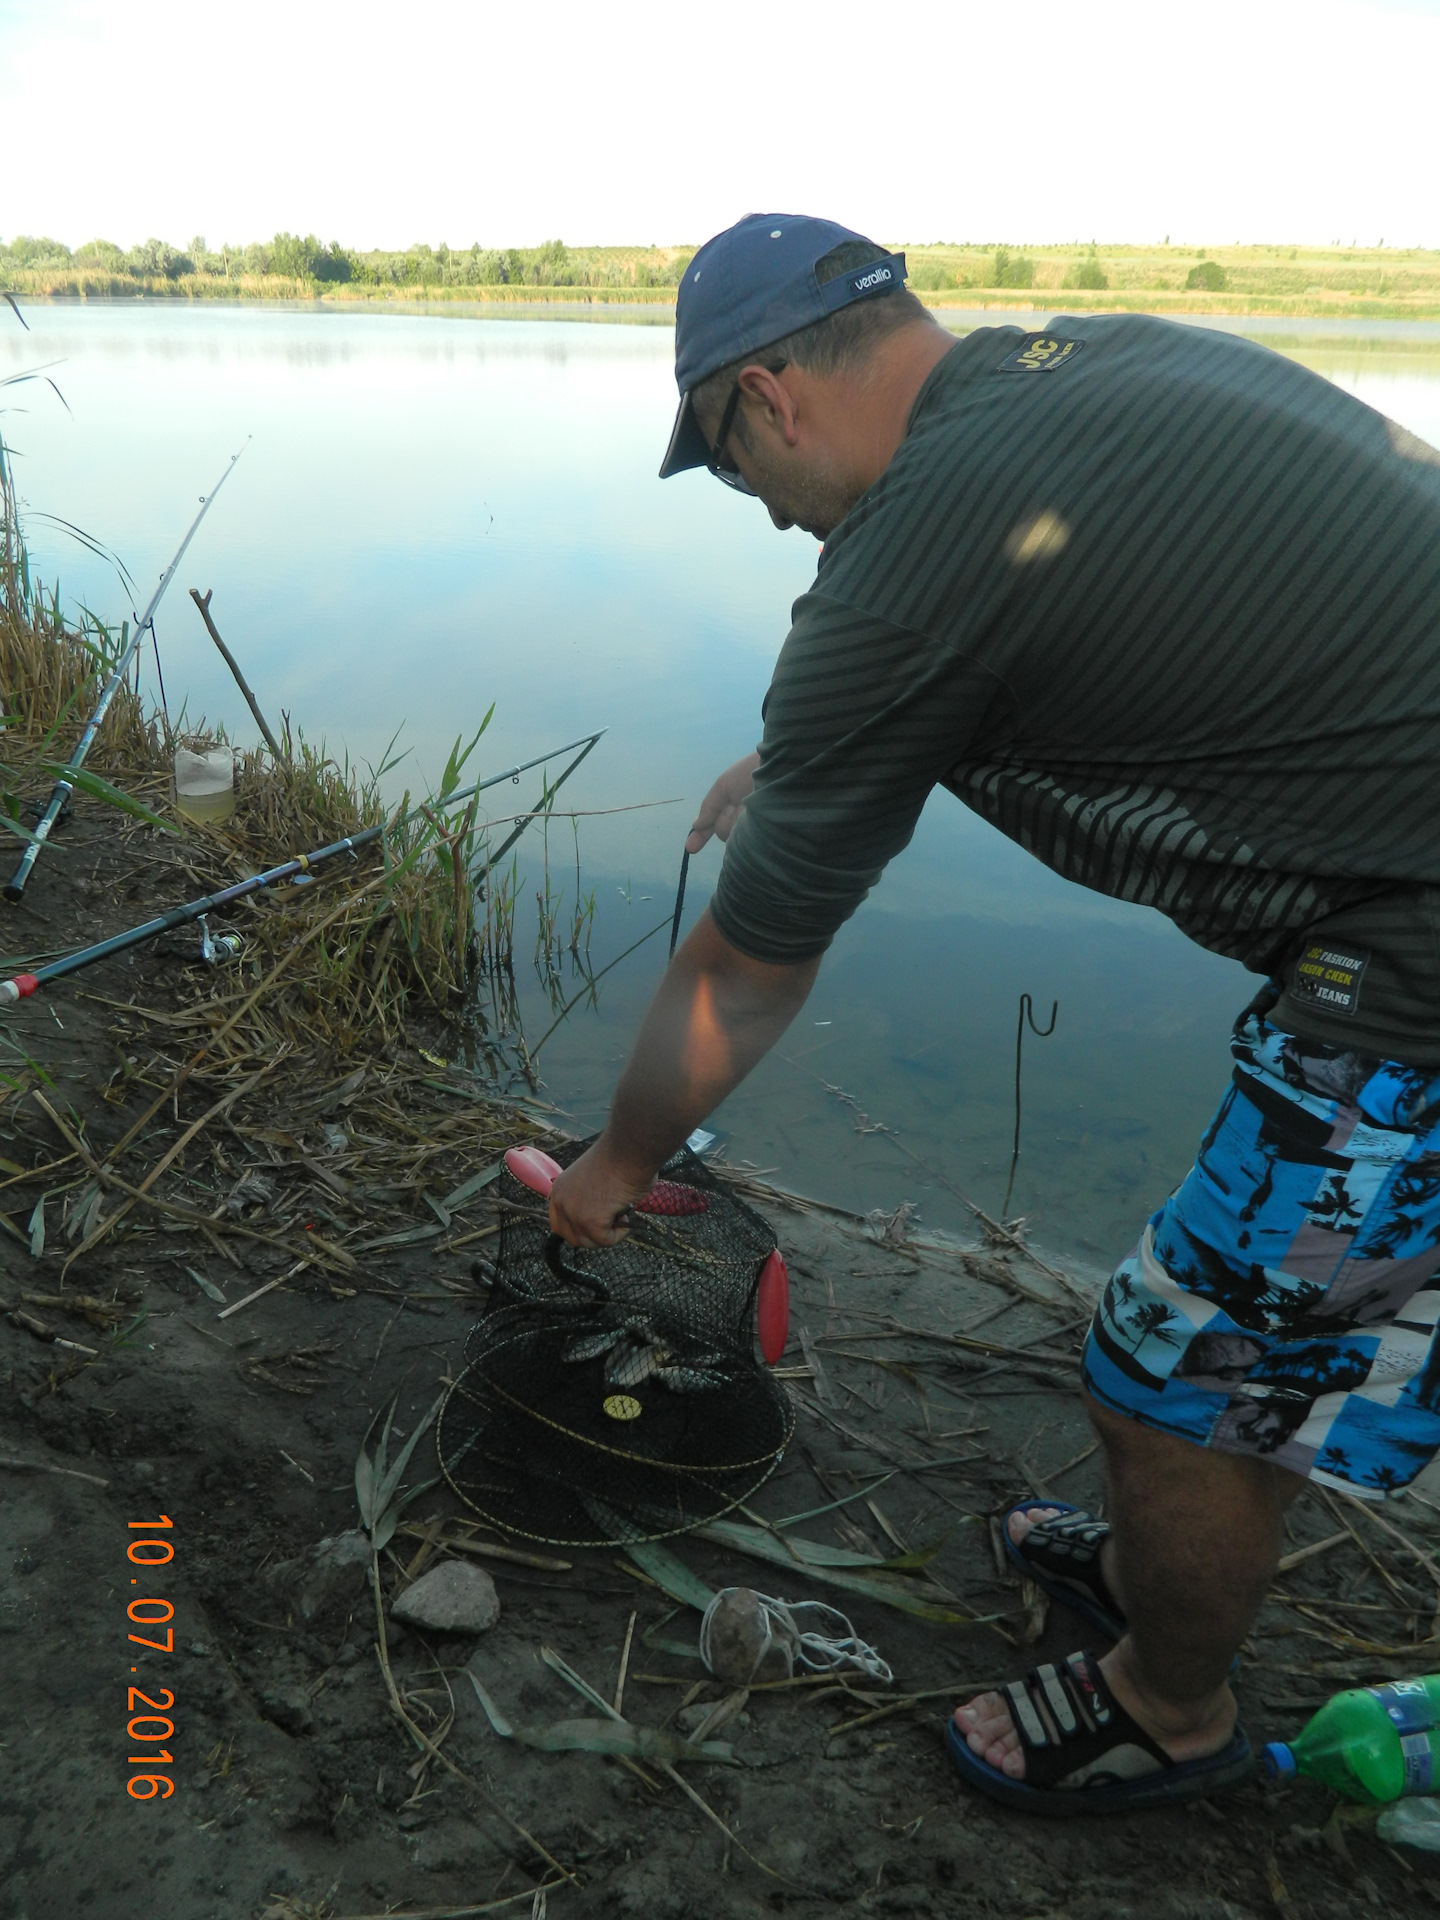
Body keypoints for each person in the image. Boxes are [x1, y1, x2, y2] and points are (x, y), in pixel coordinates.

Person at [548, 211, 1440, 1812]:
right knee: (1212, 1349)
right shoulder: (1067, 369)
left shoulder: (906, 563)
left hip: (1422, 956)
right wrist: (796, 768)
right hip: (1396, 870)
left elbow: (747, 973)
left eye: (737, 472)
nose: (763, 520)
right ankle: (1169, 1554)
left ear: (770, 396)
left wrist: (615, 1169)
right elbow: (1109, 615)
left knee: (1170, 1376)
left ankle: (1170, 1704)